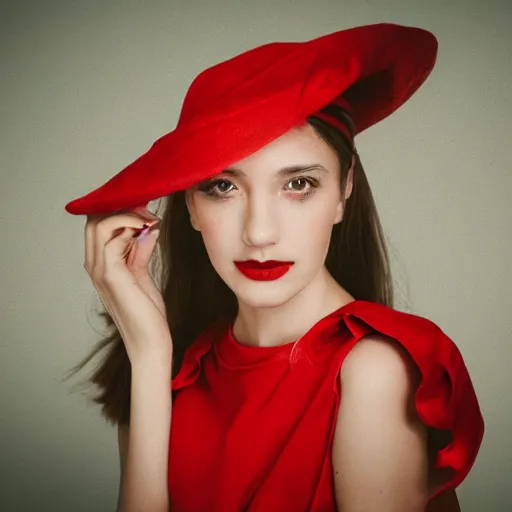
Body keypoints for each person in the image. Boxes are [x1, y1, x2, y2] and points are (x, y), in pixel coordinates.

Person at [65, 23, 484, 512]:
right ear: (191, 207)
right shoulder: (166, 370)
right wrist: (152, 358)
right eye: (223, 187)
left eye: (299, 183)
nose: (259, 232)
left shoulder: (373, 374)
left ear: (344, 189)